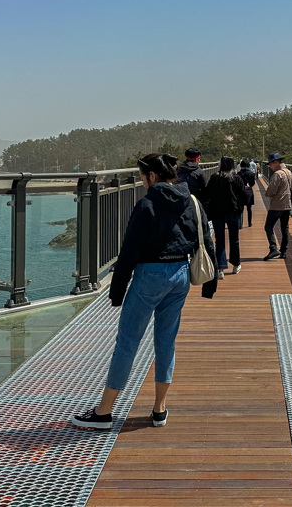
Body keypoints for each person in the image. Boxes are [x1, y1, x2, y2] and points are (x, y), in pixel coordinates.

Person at [71, 153, 218, 430]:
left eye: (141, 177)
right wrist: (210, 285)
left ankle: (103, 412)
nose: (141, 182)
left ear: (151, 176)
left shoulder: (147, 203)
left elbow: (129, 250)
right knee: (166, 341)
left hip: (150, 276)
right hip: (181, 276)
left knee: (127, 341)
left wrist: (117, 291)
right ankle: (159, 409)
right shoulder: (192, 201)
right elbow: (205, 239)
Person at [204, 156, 246, 278]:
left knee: (219, 240)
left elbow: (208, 194)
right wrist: (239, 207)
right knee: (234, 239)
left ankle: (220, 268)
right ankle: (235, 264)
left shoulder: (215, 177)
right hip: (233, 212)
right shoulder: (237, 178)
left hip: (217, 213)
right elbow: (243, 195)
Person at [263, 152, 292, 260]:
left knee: (268, 227)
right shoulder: (288, 172)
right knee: (284, 228)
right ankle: (283, 251)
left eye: (271, 164)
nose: (270, 167)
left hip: (277, 205)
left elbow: (271, 191)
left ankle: (273, 248)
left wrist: (267, 193)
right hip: (287, 205)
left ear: (276, 162)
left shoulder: (277, 174)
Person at [238, 159, 256, 228]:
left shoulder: (239, 174)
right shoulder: (250, 173)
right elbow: (253, 182)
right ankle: (249, 223)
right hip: (249, 192)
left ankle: (240, 224)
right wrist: (249, 186)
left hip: (241, 192)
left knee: (241, 209)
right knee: (249, 208)